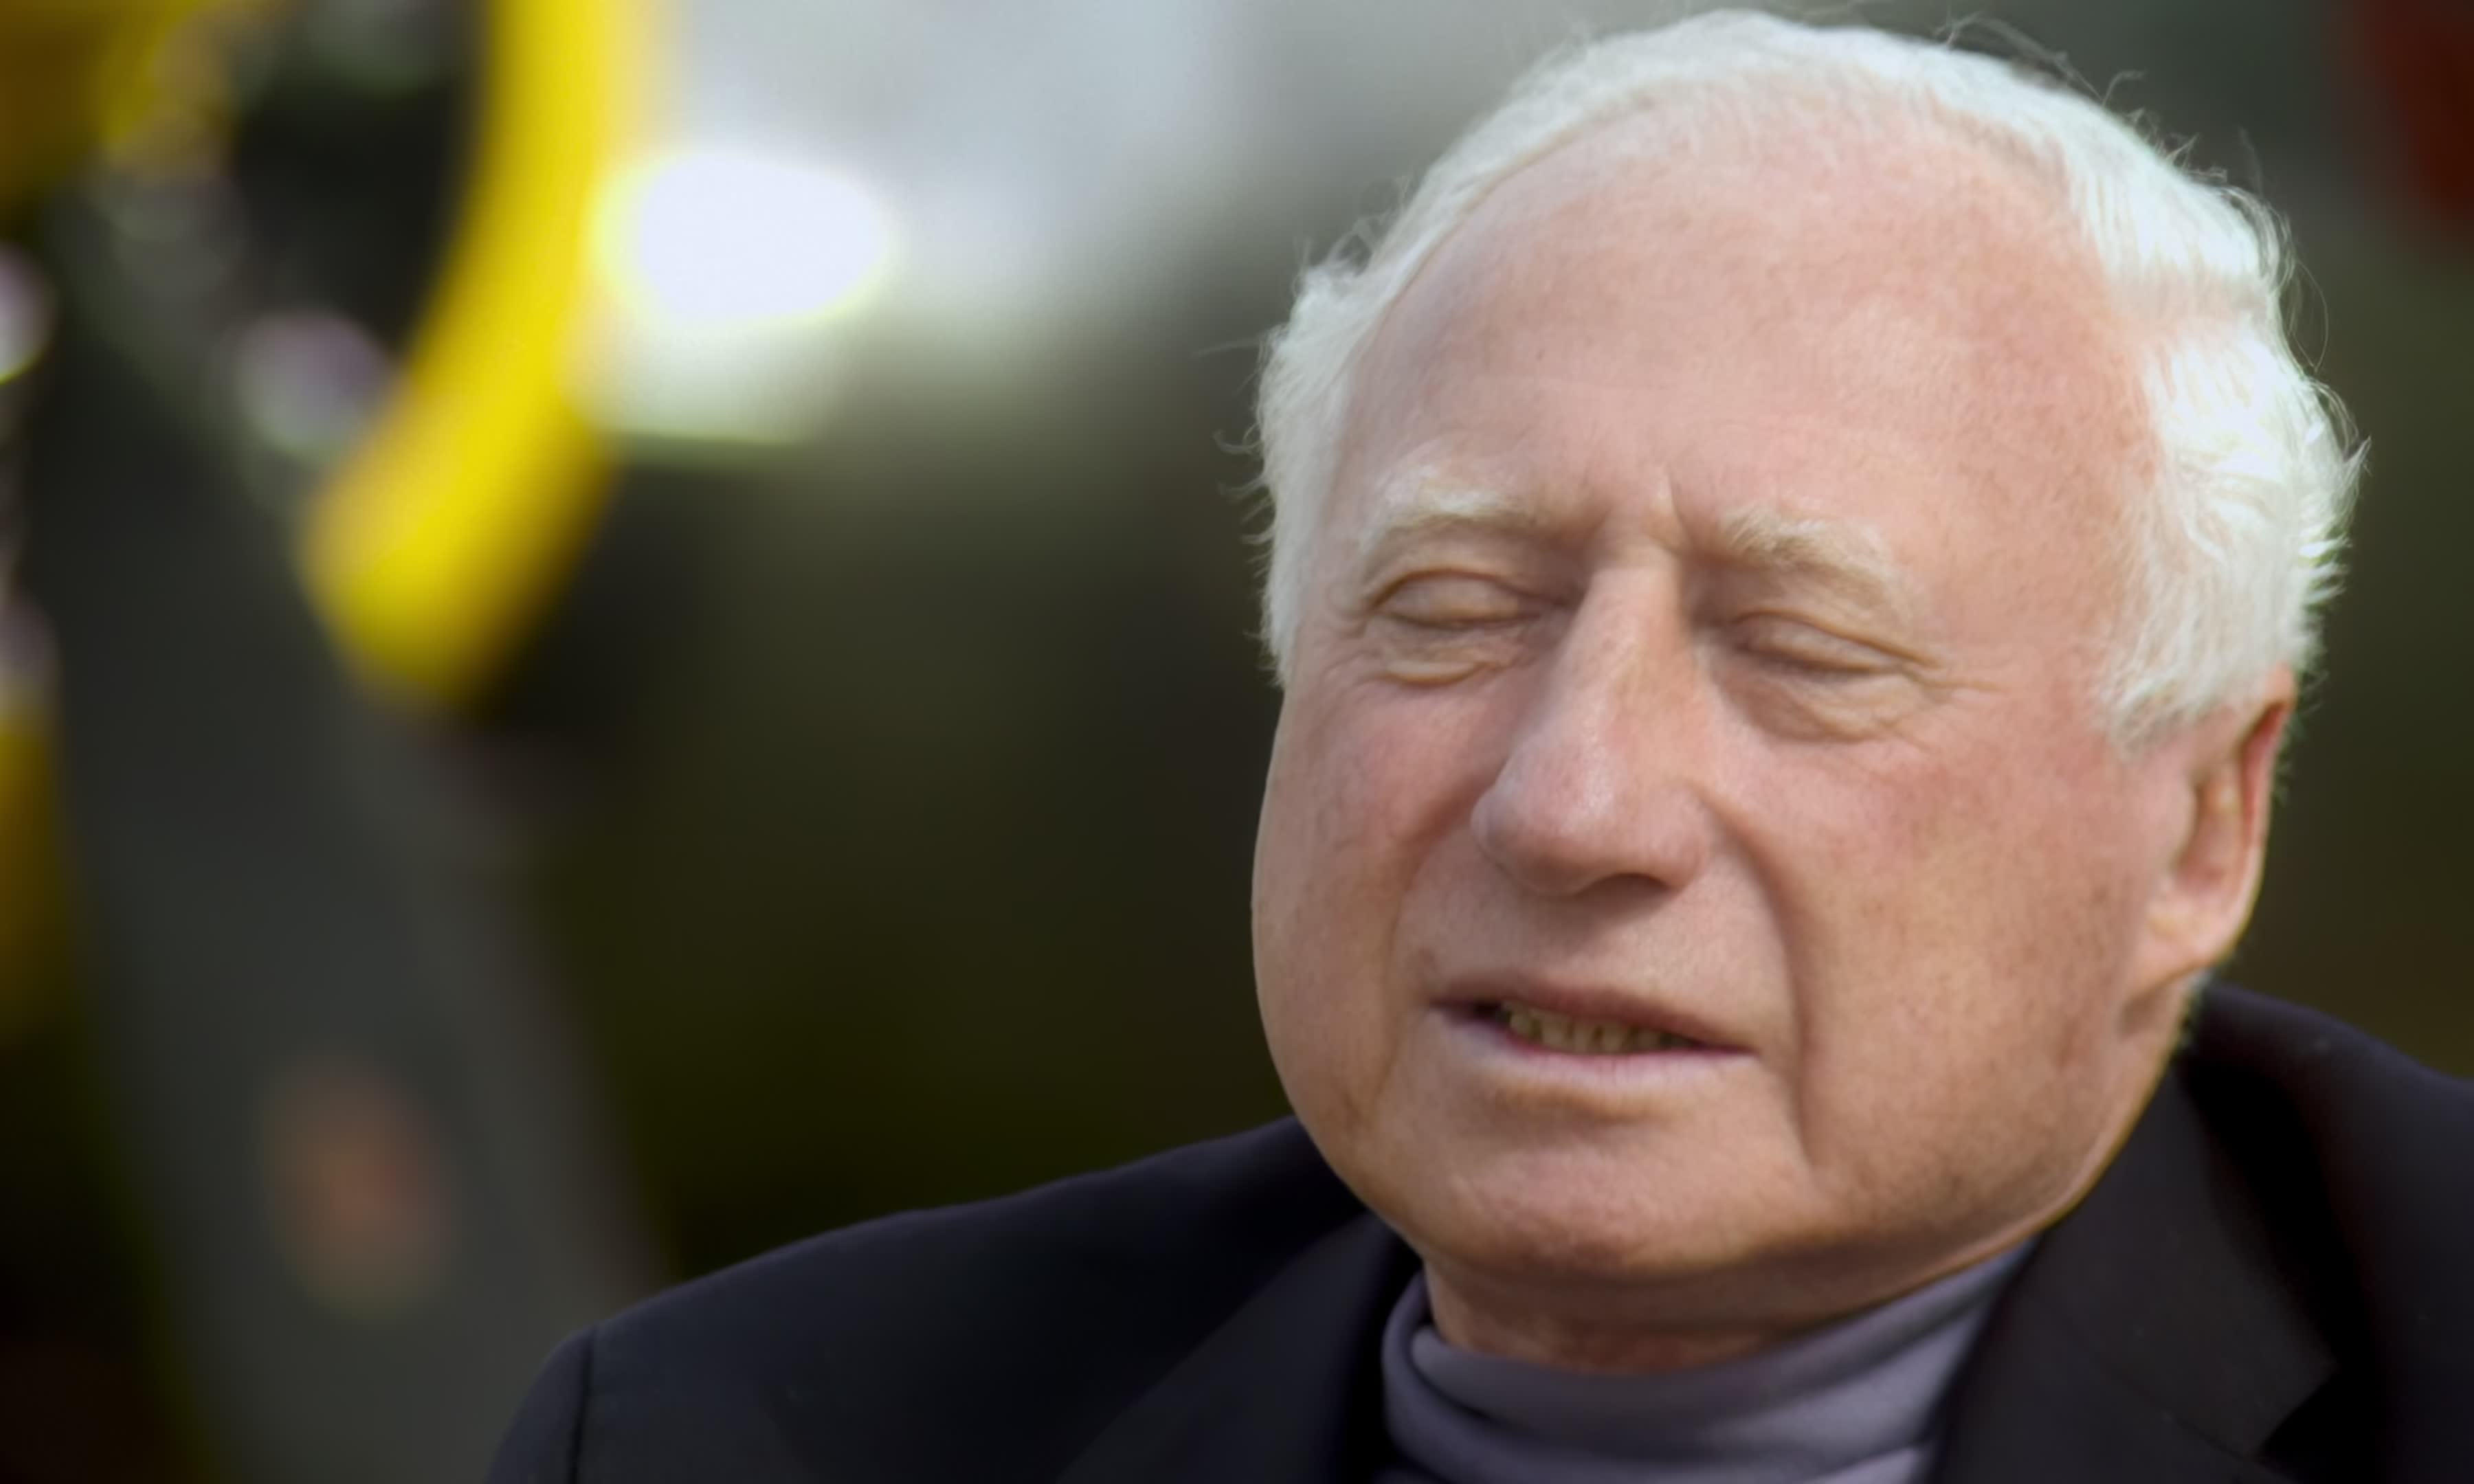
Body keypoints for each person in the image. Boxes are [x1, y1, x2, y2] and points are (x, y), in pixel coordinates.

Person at [489, 11, 2474, 1482]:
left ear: (2203, 831)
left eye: (1802, 649)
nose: (1570, 802)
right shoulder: (725, 1438)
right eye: (1452, 611)